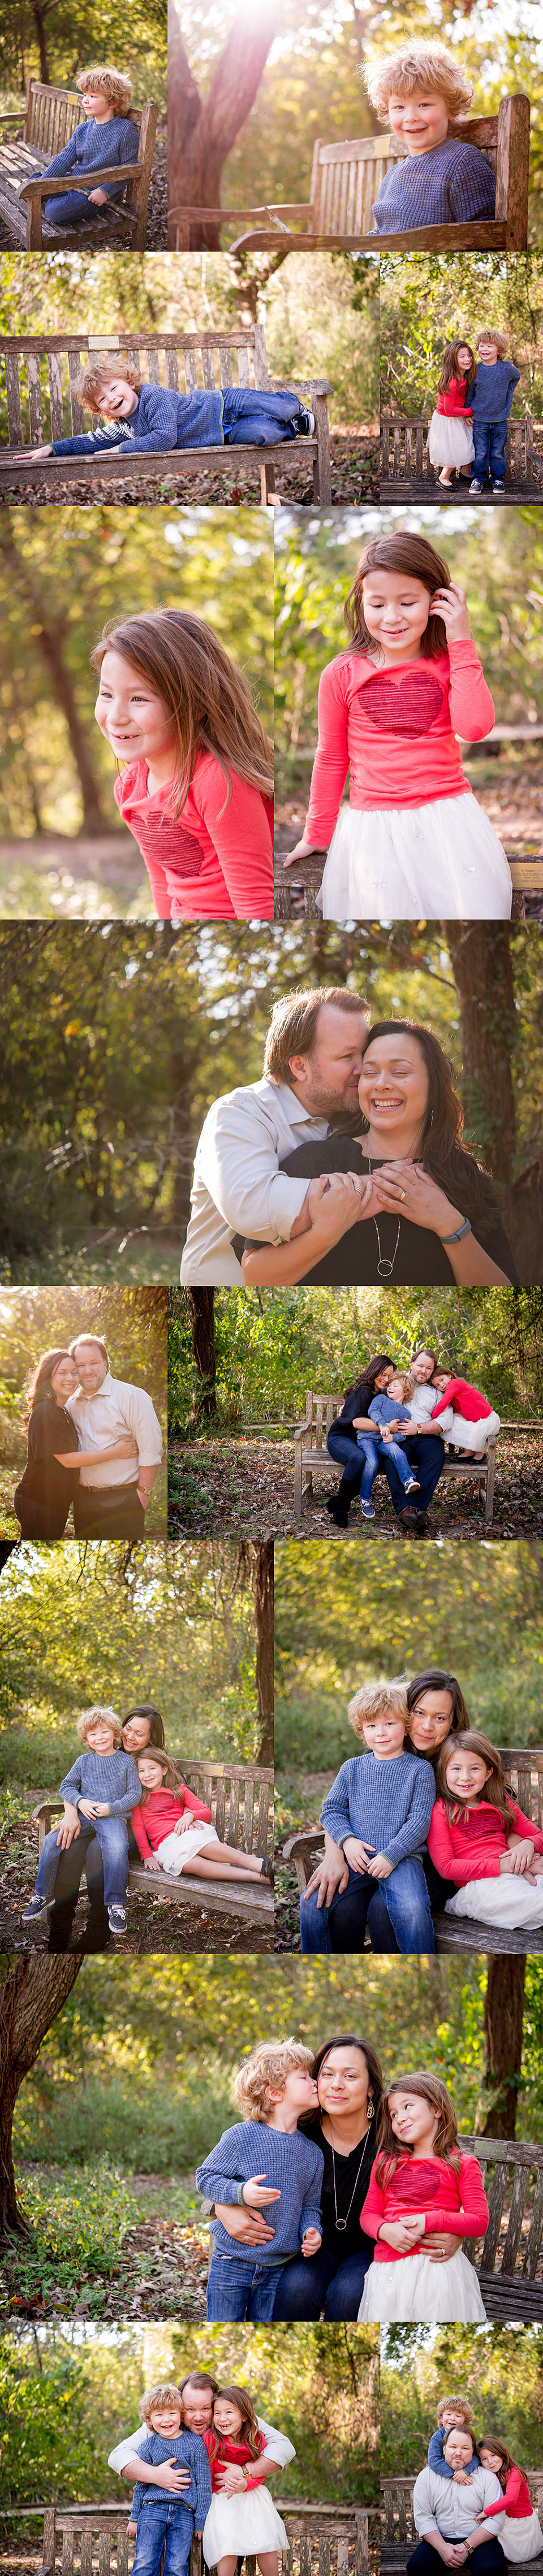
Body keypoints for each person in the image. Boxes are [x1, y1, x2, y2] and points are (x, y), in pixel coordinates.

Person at [283, 534, 511, 921]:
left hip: (449, 823)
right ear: (361, 603)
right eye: (377, 604)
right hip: (374, 833)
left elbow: (474, 728)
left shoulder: (449, 662)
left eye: (407, 603)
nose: (392, 617)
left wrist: (461, 640)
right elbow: (331, 757)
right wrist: (317, 835)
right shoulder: (340, 673)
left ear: (436, 601)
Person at [236, 1023, 518, 1292]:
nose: (382, 1084)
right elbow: (254, 1274)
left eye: (400, 1072)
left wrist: (449, 1223)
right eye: (370, 1074)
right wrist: (326, 1233)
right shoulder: (316, 1161)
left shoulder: (464, 1175)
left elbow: (503, 1289)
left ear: (433, 1085)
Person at [90, 610, 273, 924]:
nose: (116, 716)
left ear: (195, 704)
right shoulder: (129, 786)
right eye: (107, 694)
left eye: (139, 699)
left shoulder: (218, 781)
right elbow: (163, 882)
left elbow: (256, 902)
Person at [180, 986, 370, 1283]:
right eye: (348, 1056)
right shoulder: (239, 1113)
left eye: (365, 1054)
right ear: (300, 1067)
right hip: (233, 1292)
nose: (365, 1069)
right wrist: (387, 1188)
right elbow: (255, 1210)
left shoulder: (360, 1114)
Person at [215, 2033, 383, 2322]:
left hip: (370, 2246)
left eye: (351, 2076)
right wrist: (224, 2207)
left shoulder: (390, 2133)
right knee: (296, 2288)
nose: (336, 2084)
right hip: (312, 2246)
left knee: (350, 2294)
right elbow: (230, 2168)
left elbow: (438, 2163)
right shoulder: (297, 2130)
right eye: (326, 2074)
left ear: (371, 2088)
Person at [299, 1681, 436, 1955]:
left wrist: (391, 1855)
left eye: (389, 1724)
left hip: (401, 1859)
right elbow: (332, 1810)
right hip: (356, 1858)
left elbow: (419, 1822)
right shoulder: (352, 1768)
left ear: (406, 1725)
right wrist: (347, 1841)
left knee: (412, 1908)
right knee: (311, 1902)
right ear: (362, 1731)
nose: (381, 1733)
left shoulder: (420, 1770)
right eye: (372, 1726)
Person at [195, 2038, 324, 2319]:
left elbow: (311, 2207)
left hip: (279, 2268)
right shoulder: (242, 2136)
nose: (315, 2083)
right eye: (304, 2077)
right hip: (232, 2262)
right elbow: (205, 2177)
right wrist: (240, 2193)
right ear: (275, 2093)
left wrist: (311, 2231)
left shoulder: (313, 2153)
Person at [357, 2071, 489, 2322]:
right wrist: (385, 2231)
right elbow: (368, 2215)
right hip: (390, 2270)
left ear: (437, 2109)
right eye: (394, 2115)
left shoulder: (462, 2164)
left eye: (408, 2106)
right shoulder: (386, 2161)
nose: (400, 2118)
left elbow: (479, 2221)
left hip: (437, 2270)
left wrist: (432, 2220)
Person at [26, 352, 315, 461]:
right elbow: (91, 440)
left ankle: (290, 407)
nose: (112, 399)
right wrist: (53, 448)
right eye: (103, 400)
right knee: (265, 434)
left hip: (222, 403)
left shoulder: (154, 396)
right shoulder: (123, 427)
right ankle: (291, 428)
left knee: (281, 408)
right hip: (224, 434)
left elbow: (165, 437)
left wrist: (122, 449)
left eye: (114, 388)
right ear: (102, 410)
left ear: (129, 383)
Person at [22, 1707, 141, 1940]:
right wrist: (81, 1802)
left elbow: (134, 1794)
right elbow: (66, 1786)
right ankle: (42, 1894)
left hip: (113, 1818)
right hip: (85, 1817)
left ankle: (116, 1904)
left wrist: (112, 1808)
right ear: (86, 1739)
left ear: (115, 1733)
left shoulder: (126, 1762)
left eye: (104, 1732)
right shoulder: (84, 1761)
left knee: (116, 1848)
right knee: (52, 1840)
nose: (100, 1738)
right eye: (93, 1735)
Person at [364, 41, 496, 233]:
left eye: (424, 105)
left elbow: (485, 235)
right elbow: (381, 234)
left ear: (451, 108)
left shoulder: (464, 163)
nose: (410, 118)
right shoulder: (392, 175)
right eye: (399, 107)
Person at [13, 1346, 141, 1540]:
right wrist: (116, 1452)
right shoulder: (47, 1410)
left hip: (55, 1502)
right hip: (38, 1500)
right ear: (48, 1378)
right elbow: (68, 1460)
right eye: (62, 1373)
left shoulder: (61, 1410)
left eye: (74, 1372)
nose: (71, 1378)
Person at [109, 2366, 295, 2495]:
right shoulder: (167, 2423)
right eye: (190, 2409)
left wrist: (246, 2471)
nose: (198, 2417)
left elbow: (285, 2448)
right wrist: (156, 2475)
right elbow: (118, 2456)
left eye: (206, 2409)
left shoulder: (235, 2419)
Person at [428, 1731, 543, 1936]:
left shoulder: (500, 1804)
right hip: (479, 1889)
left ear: (488, 1773)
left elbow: (538, 1836)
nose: (465, 1777)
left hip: (516, 1877)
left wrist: (528, 1845)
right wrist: (503, 1865)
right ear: (444, 1772)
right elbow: (447, 1868)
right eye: (456, 1769)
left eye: (475, 1769)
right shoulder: (441, 1810)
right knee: (532, 1903)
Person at [63, 1334, 163, 1538]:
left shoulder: (132, 1396)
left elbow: (151, 1449)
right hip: (83, 1502)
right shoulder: (70, 1404)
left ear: (106, 1363)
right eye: (81, 1366)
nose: (88, 1370)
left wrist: (143, 1495)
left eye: (94, 1363)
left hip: (124, 1500)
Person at [132, 1747, 272, 1885]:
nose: (147, 1775)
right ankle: (256, 1877)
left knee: (198, 1841)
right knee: (188, 1865)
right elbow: (138, 1828)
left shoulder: (180, 1790)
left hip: (184, 1834)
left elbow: (207, 1813)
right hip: (165, 1847)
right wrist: (147, 1856)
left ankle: (255, 1862)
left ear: (164, 1770)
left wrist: (190, 1816)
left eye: (152, 1769)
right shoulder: (139, 1799)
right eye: (141, 1771)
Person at [34, 67, 139, 231]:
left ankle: (51, 200)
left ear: (113, 102)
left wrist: (105, 191)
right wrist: (44, 183)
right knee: (33, 184)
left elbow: (130, 168)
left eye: (93, 96)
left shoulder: (125, 131)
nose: (85, 100)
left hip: (95, 196)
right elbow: (65, 159)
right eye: (85, 95)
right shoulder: (83, 129)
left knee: (55, 212)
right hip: (74, 182)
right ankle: (49, 194)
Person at [201, 2384, 288, 2576]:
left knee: (265, 2539)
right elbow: (205, 2476)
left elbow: (260, 2472)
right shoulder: (210, 2440)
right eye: (217, 2413)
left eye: (229, 2412)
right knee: (228, 2542)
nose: (222, 2419)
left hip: (252, 2496)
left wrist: (245, 2483)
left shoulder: (256, 2440)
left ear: (244, 2416)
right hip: (222, 2500)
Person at [126, 2383, 212, 2576]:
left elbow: (204, 2485)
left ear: (181, 2415)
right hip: (152, 2510)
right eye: (159, 2415)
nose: (166, 2420)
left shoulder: (195, 2444)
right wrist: (134, 2516)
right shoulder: (148, 2446)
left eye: (172, 2413)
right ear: (149, 2419)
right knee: (145, 2562)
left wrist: (201, 2521)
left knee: (177, 2567)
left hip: (184, 2513)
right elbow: (141, 2486)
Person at [407, 2426, 506, 2576]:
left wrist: (467, 2547)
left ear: (473, 2452)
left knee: (492, 2569)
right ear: (444, 2448)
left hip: (479, 2541)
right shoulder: (426, 2477)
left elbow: (495, 2520)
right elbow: (423, 2517)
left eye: (465, 2448)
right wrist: (442, 2548)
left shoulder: (487, 2477)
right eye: (453, 2447)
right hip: (439, 2539)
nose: (458, 2453)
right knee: (418, 2567)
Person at [356, 1370, 423, 1518]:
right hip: (367, 1438)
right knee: (372, 1462)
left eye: (395, 1386)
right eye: (390, 1385)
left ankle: (408, 1481)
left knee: (397, 1451)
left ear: (405, 1391)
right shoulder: (381, 1399)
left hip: (385, 1441)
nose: (390, 1387)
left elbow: (402, 1435)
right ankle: (365, 1499)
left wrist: (393, 1439)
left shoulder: (406, 1414)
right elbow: (373, 1411)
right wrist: (383, 1425)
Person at [469, 334, 521, 496]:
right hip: (479, 420)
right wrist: (467, 412)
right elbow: (470, 393)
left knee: (497, 453)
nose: (485, 349)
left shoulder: (507, 368)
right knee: (481, 452)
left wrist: (508, 392)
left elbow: (517, 376)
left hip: (500, 420)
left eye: (490, 346)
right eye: (482, 346)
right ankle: (478, 479)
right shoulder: (475, 370)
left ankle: (498, 480)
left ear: (499, 350)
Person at [477, 2439, 543, 2562]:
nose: (490, 2462)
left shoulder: (514, 2472)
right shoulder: (491, 2474)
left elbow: (510, 2499)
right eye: (484, 2459)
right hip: (506, 2517)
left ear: (502, 2453)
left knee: (486, 2530)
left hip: (520, 2523)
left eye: (493, 2455)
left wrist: (486, 2512)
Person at [427, 339, 476, 488]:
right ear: (453, 360)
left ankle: (466, 472)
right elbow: (449, 409)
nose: (467, 359)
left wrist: (466, 414)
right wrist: (470, 411)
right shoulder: (452, 381)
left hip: (458, 417)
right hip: (448, 419)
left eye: (469, 355)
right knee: (457, 448)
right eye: (462, 357)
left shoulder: (465, 376)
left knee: (471, 443)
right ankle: (443, 478)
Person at [430, 1364, 501, 1458]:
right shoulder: (451, 1393)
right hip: (473, 1421)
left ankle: (480, 1453)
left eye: (442, 1380)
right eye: (437, 1385)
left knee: (477, 1429)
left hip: (488, 1419)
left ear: (449, 1375)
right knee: (451, 1422)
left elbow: (442, 1404)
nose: (442, 1385)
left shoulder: (455, 1383)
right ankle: (469, 1451)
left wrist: (430, 1419)